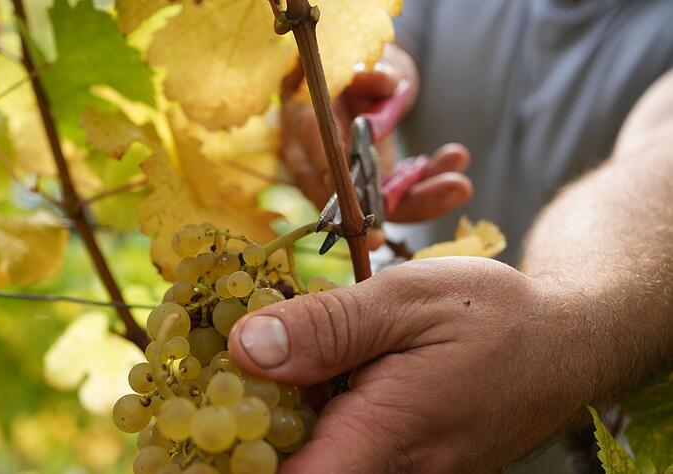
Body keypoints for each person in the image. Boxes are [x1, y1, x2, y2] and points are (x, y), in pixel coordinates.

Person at [227, 1, 673, 472]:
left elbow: (660, 168)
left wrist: (560, 316)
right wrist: (355, 73)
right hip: (384, 373)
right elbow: (381, 33)